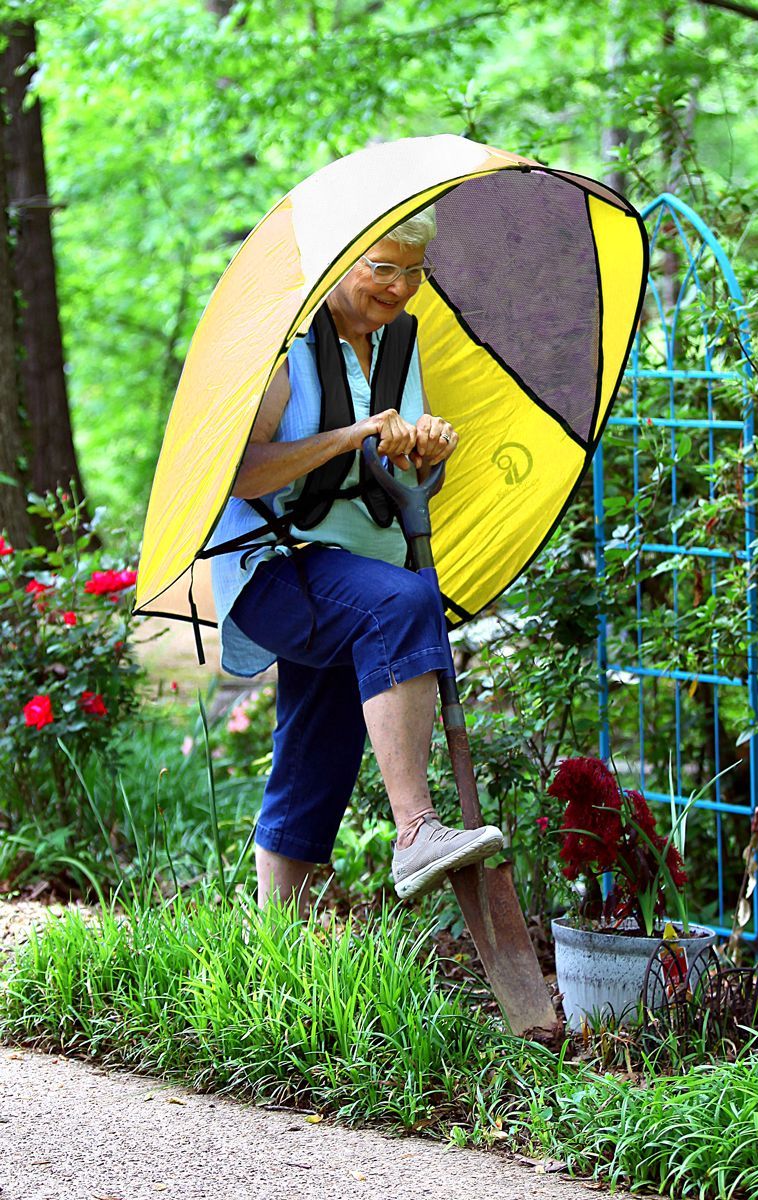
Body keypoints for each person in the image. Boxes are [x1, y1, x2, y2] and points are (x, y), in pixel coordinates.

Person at [209, 207, 502, 911]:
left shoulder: (400, 341)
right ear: (342, 260)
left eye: (414, 271)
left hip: (355, 571)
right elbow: (244, 473)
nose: (399, 287)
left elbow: (399, 470)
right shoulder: (287, 347)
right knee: (403, 604)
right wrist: (352, 435)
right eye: (382, 267)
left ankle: (280, 941)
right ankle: (417, 834)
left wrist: (427, 447)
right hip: (276, 569)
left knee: (321, 738)